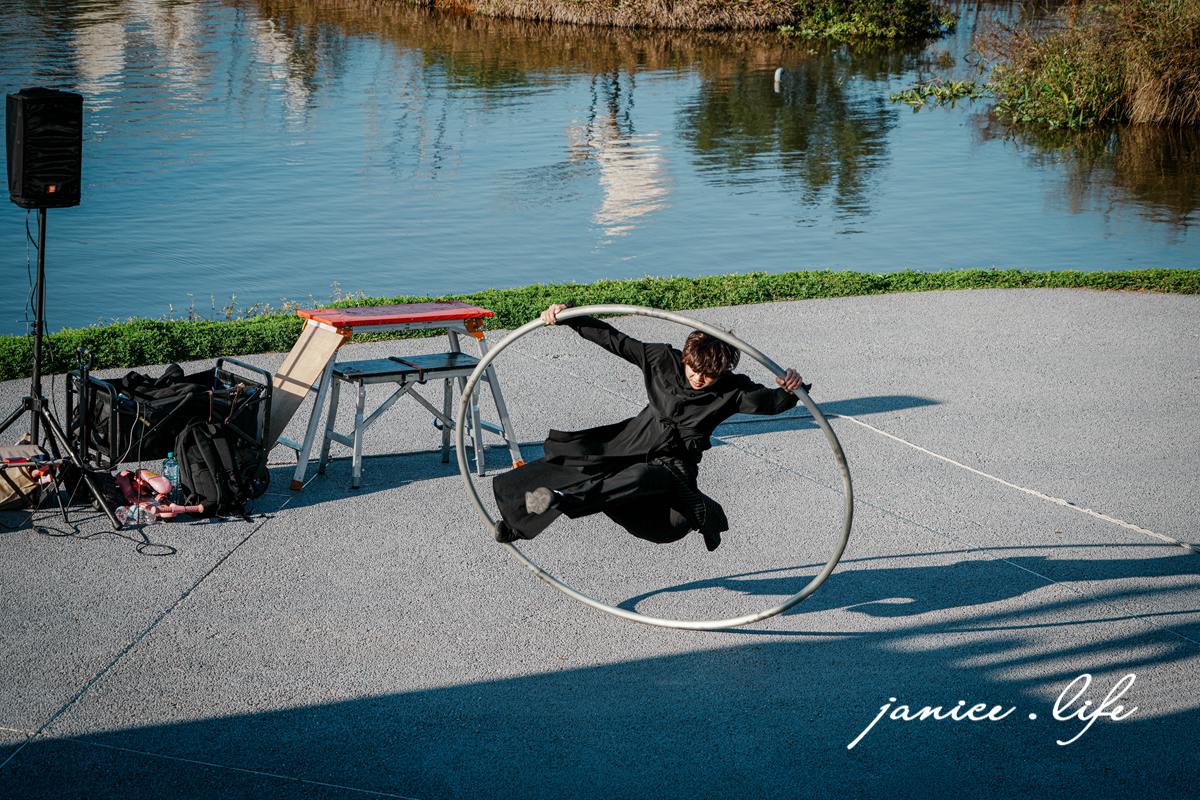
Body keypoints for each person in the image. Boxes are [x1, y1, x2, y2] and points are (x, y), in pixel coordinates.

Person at [491, 303, 808, 552]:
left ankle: (570, 498)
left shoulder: (733, 391)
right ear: (685, 357)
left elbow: (772, 402)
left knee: (649, 487)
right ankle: (519, 524)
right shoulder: (661, 360)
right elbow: (614, 340)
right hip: (626, 450)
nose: (698, 378)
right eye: (693, 369)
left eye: (708, 375)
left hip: (672, 477)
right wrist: (570, 316)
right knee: (570, 466)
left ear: (723, 371)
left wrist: (791, 389)